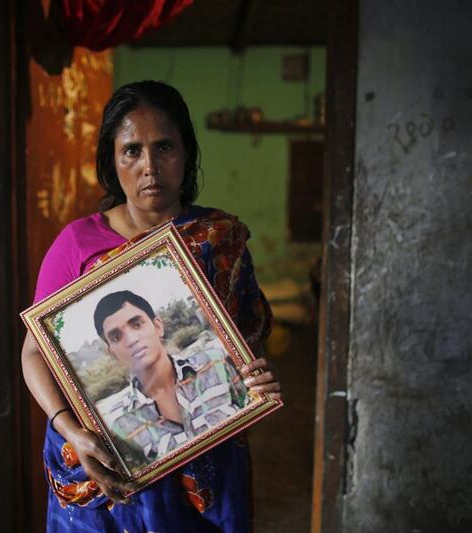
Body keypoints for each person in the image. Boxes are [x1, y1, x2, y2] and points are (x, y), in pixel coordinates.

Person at [21, 80, 281, 532]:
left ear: (187, 152)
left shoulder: (220, 239)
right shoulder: (77, 245)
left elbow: (246, 339)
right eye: (132, 151)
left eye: (164, 147)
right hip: (104, 463)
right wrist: (71, 429)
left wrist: (255, 375)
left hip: (204, 462)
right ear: (112, 159)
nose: (149, 167)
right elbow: (33, 352)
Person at [93, 290, 248, 468]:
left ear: (158, 326)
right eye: (116, 336)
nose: (131, 339)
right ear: (113, 353)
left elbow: (252, 409)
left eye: (136, 324)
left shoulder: (215, 364)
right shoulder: (120, 425)